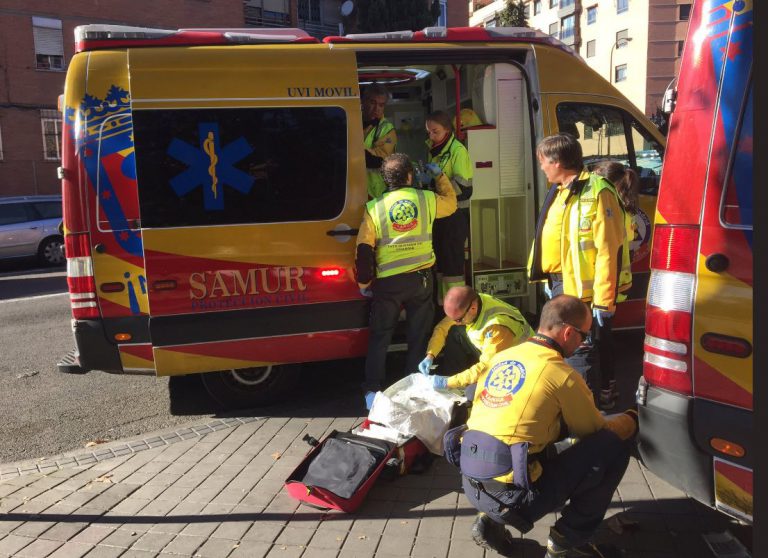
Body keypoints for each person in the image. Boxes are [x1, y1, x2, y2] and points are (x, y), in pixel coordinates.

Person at [447, 295, 638, 557]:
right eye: (584, 335)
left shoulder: (503, 357)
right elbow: (593, 433)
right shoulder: (562, 374)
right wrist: (633, 417)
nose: (584, 342)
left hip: (471, 485)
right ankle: (566, 540)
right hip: (514, 501)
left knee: (525, 438)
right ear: (569, 332)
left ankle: (488, 522)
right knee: (612, 446)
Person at [527, 133, 632, 409]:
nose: (541, 168)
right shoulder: (561, 190)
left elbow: (609, 248)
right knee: (565, 348)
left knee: (582, 351)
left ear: (557, 161)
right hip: (562, 283)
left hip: (584, 291)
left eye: (543, 162)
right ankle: (576, 404)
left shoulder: (598, 191)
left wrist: (604, 300)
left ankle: (589, 410)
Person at [355, 153, 457, 409]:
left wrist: (365, 284)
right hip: (420, 280)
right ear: (410, 176)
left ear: (385, 178)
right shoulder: (426, 199)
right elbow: (452, 204)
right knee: (418, 335)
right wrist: (439, 176)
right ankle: (414, 386)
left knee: (380, 336)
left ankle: (373, 390)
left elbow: (364, 251)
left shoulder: (374, 207)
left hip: (388, 283)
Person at [418, 286, 533, 396]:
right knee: (454, 331)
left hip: (516, 365)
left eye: (459, 319)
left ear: (472, 308)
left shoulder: (497, 326)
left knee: (472, 394)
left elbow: (486, 367)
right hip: (490, 349)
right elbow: (443, 328)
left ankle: (457, 385)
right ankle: (455, 381)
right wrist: (430, 355)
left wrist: (447, 382)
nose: (456, 322)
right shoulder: (472, 302)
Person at [425, 111, 473, 303]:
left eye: (435, 131)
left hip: (455, 215)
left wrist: (438, 181)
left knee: (452, 265)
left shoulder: (457, 151)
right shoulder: (435, 150)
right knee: (441, 264)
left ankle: (456, 309)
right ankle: (441, 307)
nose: (431, 136)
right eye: (428, 132)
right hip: (440, 214)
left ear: (447, 130)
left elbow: (465, 189)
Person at [362, 84, 397, 199]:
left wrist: (356, 150)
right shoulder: (352, 121)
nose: (377, 108)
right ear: (363, 101)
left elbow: (381, 160)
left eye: (381, 105)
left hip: (376, 192)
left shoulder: (386, 128)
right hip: (355, 188)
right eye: (373, 103)